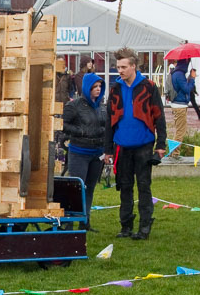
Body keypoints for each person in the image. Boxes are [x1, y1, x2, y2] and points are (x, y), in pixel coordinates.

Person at [106, 47, 167, 240]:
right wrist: (107, 150)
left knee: (143, 186)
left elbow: (160, 116)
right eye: (118, 67)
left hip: (143, 146)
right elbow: (109, 120)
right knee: (124, 187)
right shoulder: (115, 88)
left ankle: (144, 227)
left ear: (133, 66)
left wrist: (161, 145)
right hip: (122, 146)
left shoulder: (149, 86)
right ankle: (126, 226)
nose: (120, 70)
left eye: (124, 66)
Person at [62, 72, 107, 230]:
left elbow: (106, 125)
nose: (97, 89)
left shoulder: (102, 107)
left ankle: (85, 221)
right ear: (87, 88)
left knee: (90, 187)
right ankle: (68, 223)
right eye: (94, 87)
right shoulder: (74, 106)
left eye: (100, 86)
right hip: (79, 151)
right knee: (75, 187)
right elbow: (62, 124)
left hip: (97, 152)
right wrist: (79, 131)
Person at [168, 59, 190, 157]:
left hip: (177, 104)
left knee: (178, 130)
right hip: (180, 105)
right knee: (180, 131)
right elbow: (187, 89)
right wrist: (192, 79)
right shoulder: (179, 74)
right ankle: (175, 154)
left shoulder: (176, 73)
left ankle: (173, 152)